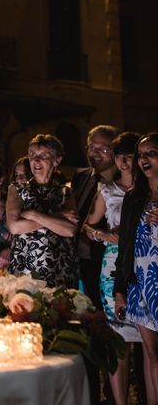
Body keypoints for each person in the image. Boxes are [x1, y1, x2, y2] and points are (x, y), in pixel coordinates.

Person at [83, 132, 142, 405]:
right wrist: (104, 236)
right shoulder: (107, 190)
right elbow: (86, 226)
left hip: (145, 264)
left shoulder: (149, 190)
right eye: (119, 155)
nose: (124, 160)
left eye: (129, 154)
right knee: (118, 340)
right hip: (113, 266)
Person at [115, 132, 158, 405]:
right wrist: (121, 289)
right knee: (152, 356)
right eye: (141, 154)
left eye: (151, 153)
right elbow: (125, 245)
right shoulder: (134, 196)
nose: (143, 159)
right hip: (142, 283)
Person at [7, 134, 78, 287]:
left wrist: (33, 215)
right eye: (32, 155)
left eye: (43, 155)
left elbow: (70, 230)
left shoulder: (66, 192)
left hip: (60, 270)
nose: (36, 160)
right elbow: (15, 227)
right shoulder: (17, 189)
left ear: (56, 160)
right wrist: (58, 216)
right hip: (26, 271)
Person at [72, 125, 119, 309]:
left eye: (104, 149)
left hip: (105, 259)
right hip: (76, 257)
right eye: (92, 147)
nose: (96, 153)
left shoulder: (123, 180)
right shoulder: (80, 175)